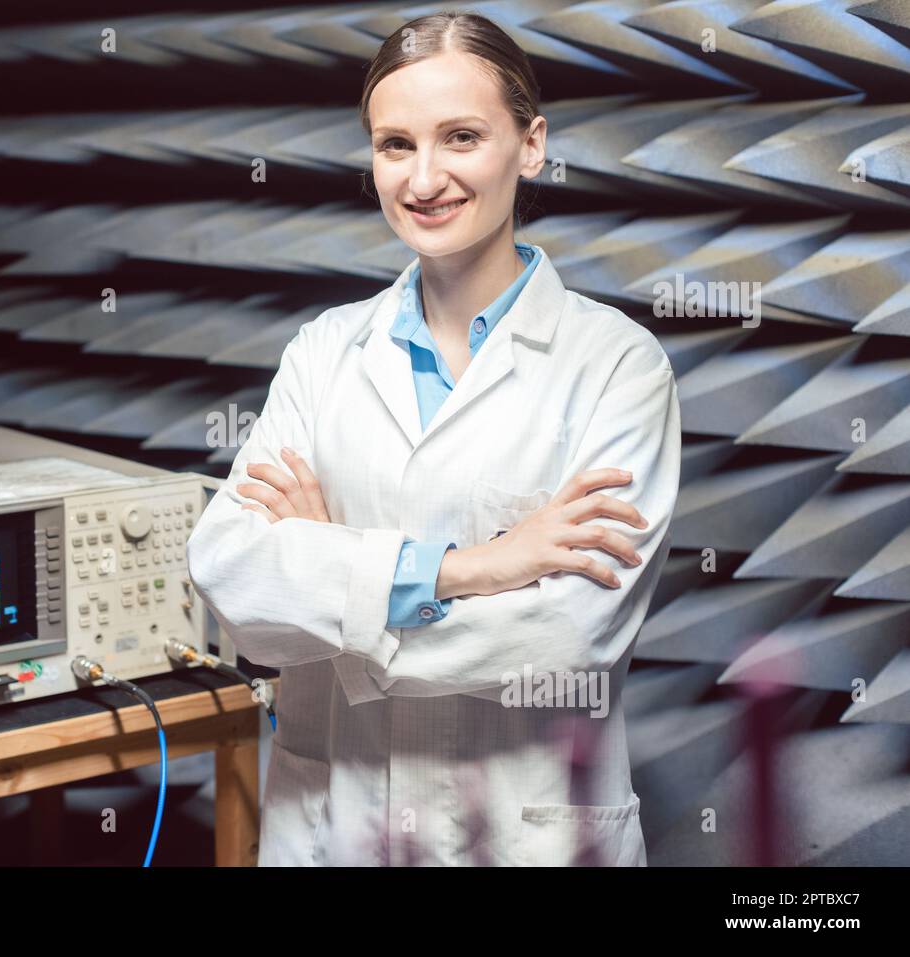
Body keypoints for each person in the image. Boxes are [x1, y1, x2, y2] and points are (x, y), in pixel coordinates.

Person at [185, 11, 681, 866]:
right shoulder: (323, 351)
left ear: (531, 145)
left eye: (461, 137)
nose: (424, 179)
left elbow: (567, 636)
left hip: (528, 838)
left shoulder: (616, 366)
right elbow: (233, 585)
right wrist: (472, 567)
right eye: (394, 144)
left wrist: (329, 571)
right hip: (334, 832)